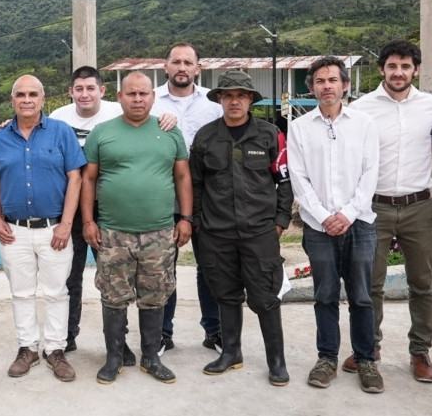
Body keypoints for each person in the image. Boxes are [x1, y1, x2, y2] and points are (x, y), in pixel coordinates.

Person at [81, 72, 192, 384]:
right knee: (113, 296)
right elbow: (88, 179)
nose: (138, 99)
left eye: (144, 94)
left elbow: (183, 177)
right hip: (113, 232)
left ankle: (151, 356)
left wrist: (186, 218)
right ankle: (114, 356)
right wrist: (89, 221)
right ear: (119, 97)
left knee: (155, 295)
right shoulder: (102, 133)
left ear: (153, 97)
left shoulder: (169, 131)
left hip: (159, 232)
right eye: (131, 94)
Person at [347, 41, 432, 383]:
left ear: (415, 69)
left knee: (422, 283)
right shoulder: (362, 108)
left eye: (405, 66)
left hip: (419, 206)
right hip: (374, 207)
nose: (398, 72)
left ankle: (420, 352)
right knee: (369, 283)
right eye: (392, 66)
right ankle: (368, 348)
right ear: (381, 70)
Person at [287, 56, 383, 393]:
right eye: (320, 81)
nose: (327, 86)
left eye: (333, 80)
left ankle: (366, 360)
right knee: (325, 294)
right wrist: (325, 216)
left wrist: (348, 214)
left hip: (359, 223)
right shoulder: (299, 127)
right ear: (311, 88)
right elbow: (299, 179)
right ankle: (327, 358)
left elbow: (371, 173)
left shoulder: (364, 124)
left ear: (345, 85)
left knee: (361, 296)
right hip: (318, 226)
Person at [192, 71, 293, 386]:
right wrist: (197, 224)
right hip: (216, 232)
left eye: (241, 95)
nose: (235, 101)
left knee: (265, 296)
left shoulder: (270, 134)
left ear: (250, 99)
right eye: (228, 95)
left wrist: (279, 222)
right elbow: (194, 185)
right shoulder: (206, 137)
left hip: (259, 233)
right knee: (226, 294)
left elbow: (285, 181)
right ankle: (231, 352)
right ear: (220, 99)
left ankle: (276, 361)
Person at [0, 75, 85, 382]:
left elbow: (76, 177)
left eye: (33, 94)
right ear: (12, 100)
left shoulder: (61, 132)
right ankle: (27, 348)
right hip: (13, 231)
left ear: (44, 100)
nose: (27, 99)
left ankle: (55, 350)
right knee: (21, 293)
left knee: (58, 293)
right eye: (20, 94)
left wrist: (67, 224)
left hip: (54, 229)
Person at [151, 43, 223, 353]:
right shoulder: (149, 101)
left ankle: (215, 331)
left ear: (198, 68)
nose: (182, 67)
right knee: (164, 267)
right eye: (176, 62)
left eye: (188, 62)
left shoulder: (214, 104)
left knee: (210, 266)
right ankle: (163, 333)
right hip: (163, 195)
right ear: (165, 67)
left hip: (207, 196)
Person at [48, 66, 123, 356]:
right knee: (70, 276)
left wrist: (169, 117)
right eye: (79, 89)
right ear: (70, 92)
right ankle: (67, 336)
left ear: (102, 91)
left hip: (107, 208)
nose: (85, 94)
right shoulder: (58, 118)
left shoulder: (117, 113)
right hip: (69, 208)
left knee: (113, 278)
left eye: (90, 88)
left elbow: (148, 116)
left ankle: (118, 342)